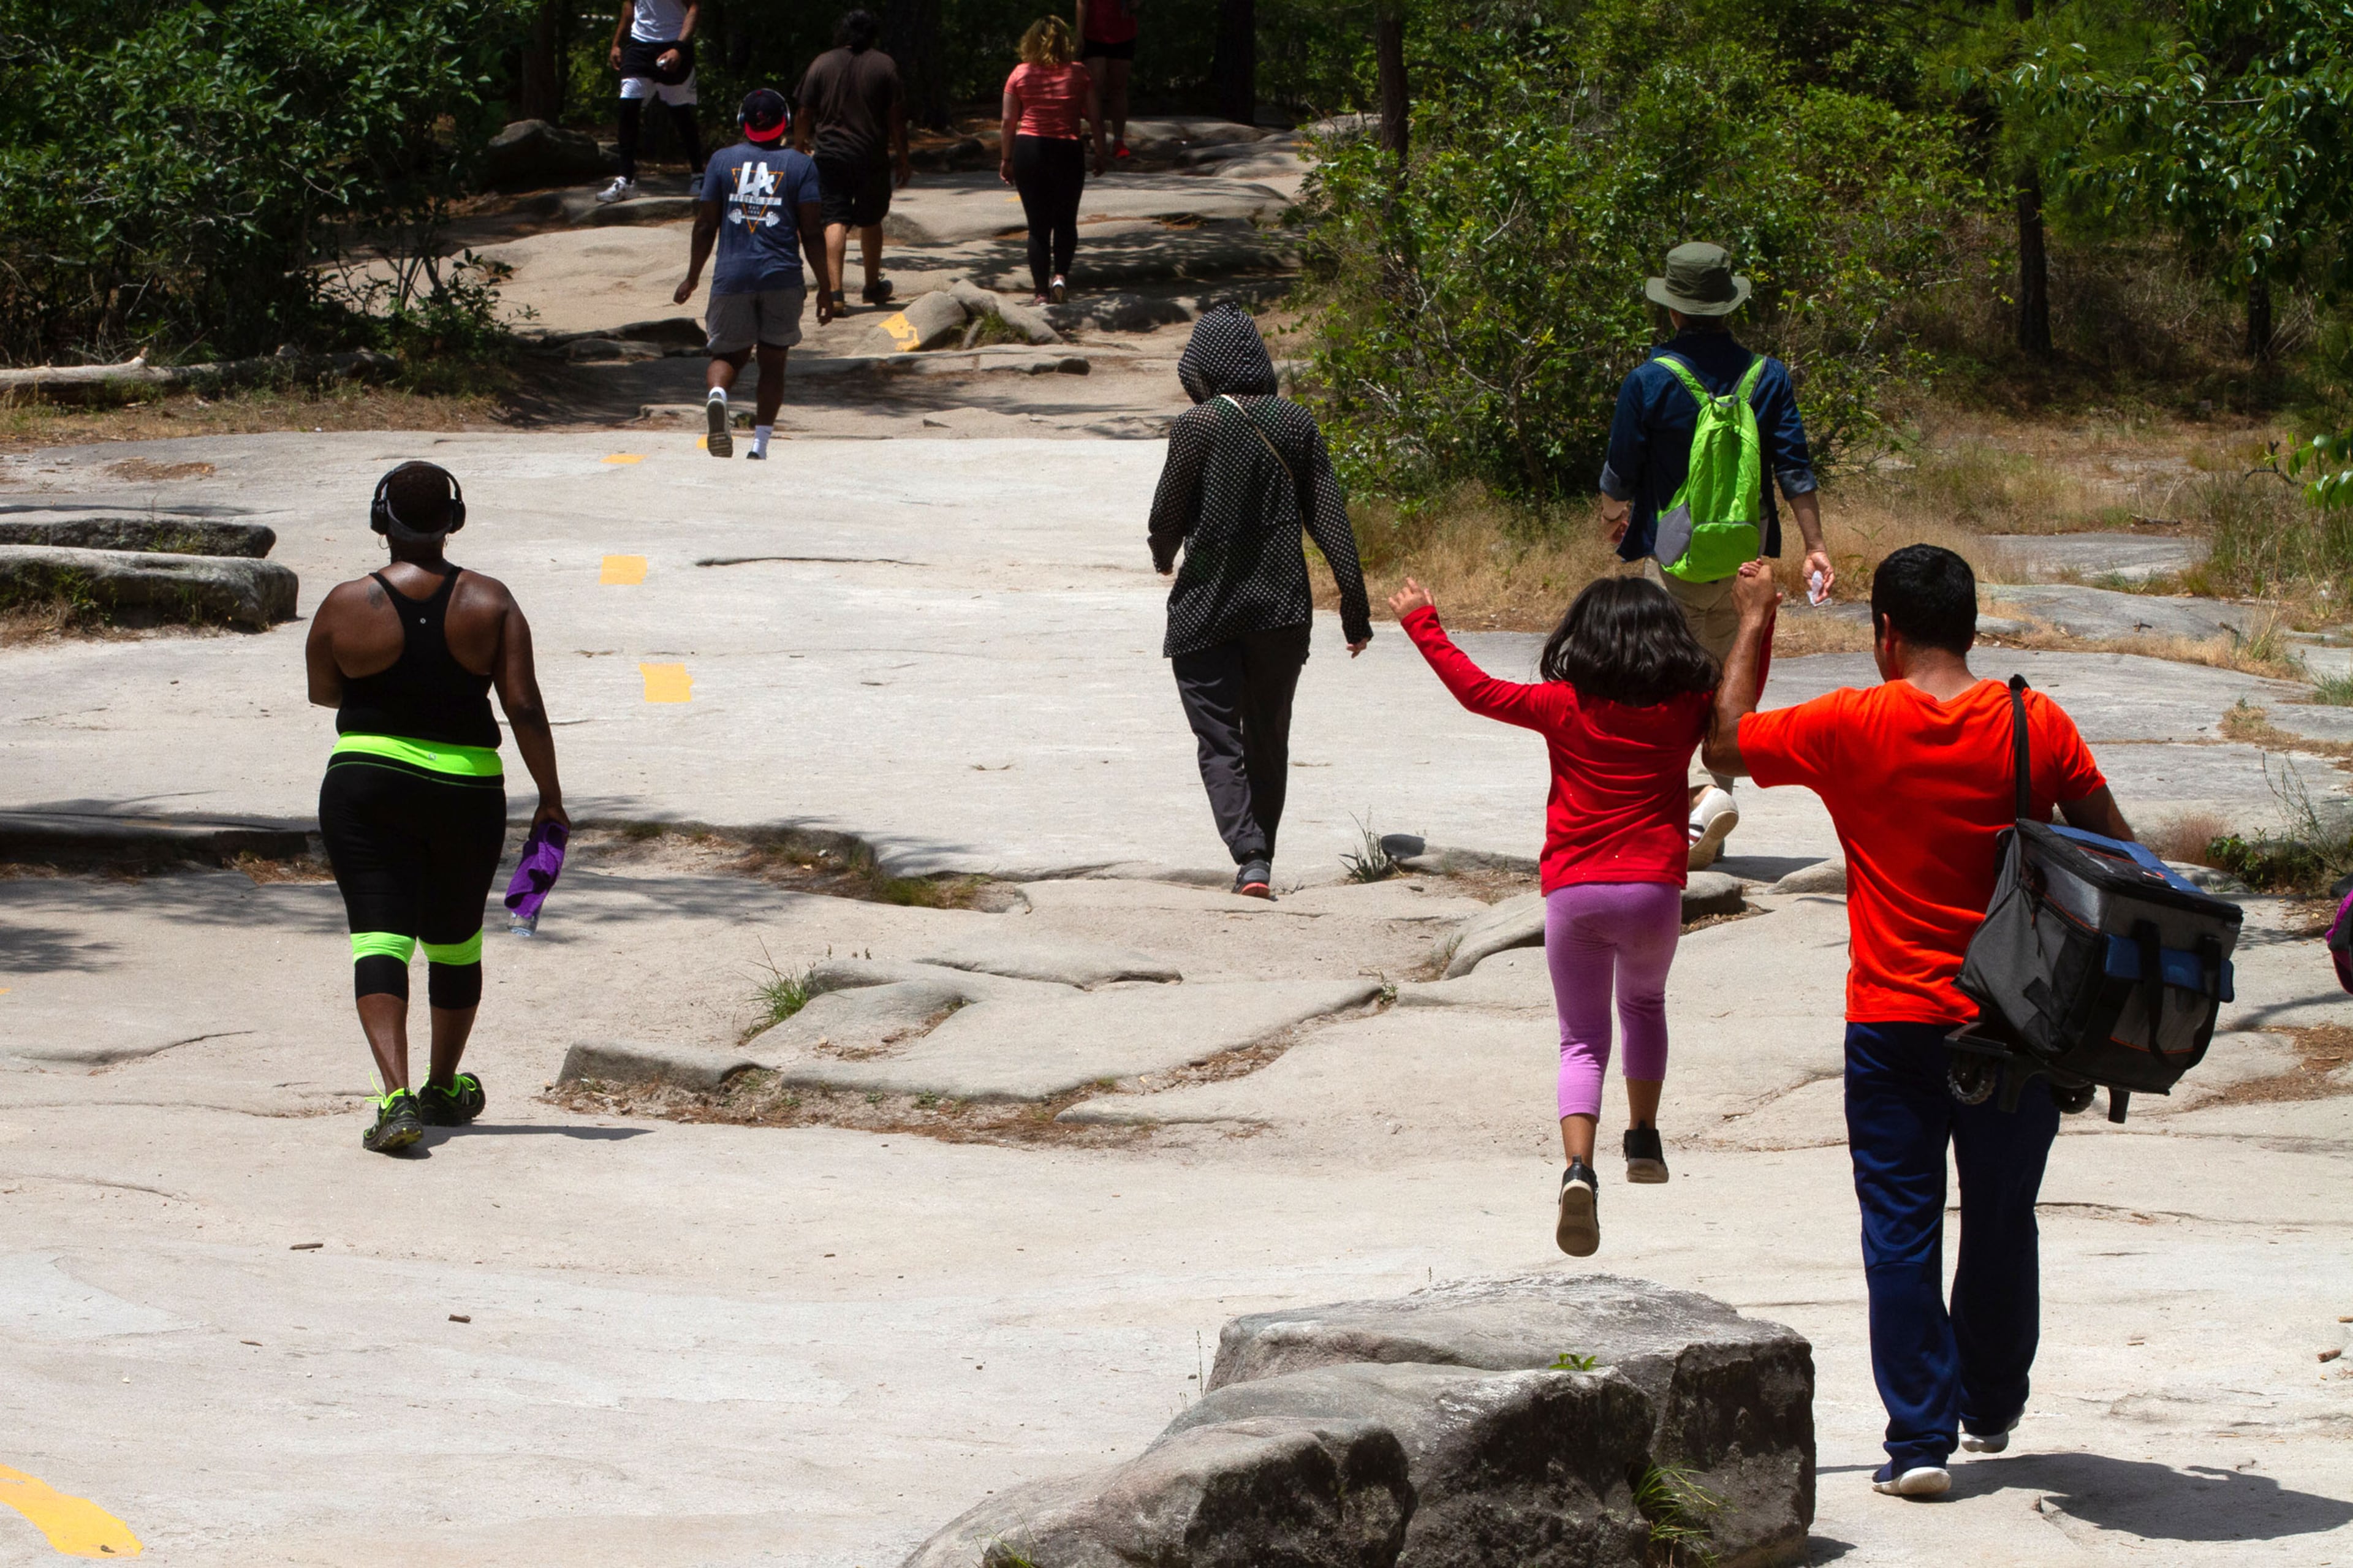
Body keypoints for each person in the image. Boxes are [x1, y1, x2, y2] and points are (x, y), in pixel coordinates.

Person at [1703, 543, 2137, 1500]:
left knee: (1900, 1227)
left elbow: (1723, 744)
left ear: (1884, 634)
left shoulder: (1852, 722)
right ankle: (1991, 1402)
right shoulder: (2036, 721)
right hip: (2016, 1020)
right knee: (2001, 1216)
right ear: (1972, 627)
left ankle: (1920, 1442)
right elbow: (2121, 851)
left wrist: (1755, 618)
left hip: (1893, 1017)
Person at [1393, 573, 1759, 1257]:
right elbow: (1739, 704)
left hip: (1576, 893)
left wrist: (1424, 623)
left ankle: (1578, 1169)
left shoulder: (1563, 706)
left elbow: (1476, 691)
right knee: (1644, 1006)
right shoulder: (1685, 708)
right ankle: (1644, 1138)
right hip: (1653, 891)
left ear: (1582, 639)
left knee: (1581, 1039)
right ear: (1666, 638)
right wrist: (1755, 623)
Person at [305, 463, 567, 1155]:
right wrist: (551, 798)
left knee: (379, 938)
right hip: (465, 790)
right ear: (455, 521)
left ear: (377, 520)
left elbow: (324, 691)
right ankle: (443, 1087)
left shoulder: (342, 604)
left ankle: (394, 1101)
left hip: (365, 784)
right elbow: (522, 706)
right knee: (454, 941)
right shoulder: (491, 602)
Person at [1599, 240, 1834, 869]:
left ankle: (1675, 815)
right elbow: (1795, 468)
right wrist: (1814, 547)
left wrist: (1613, 516)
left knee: (1658, 688)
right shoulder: (1768, 376)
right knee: (1729, 685)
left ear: (1672, 311)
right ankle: (1714, 810)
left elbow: (1620, 472)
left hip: (1671, 564)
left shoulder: (1649, 380)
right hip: (1746, 562)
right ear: (1728, 307)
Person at [1148, 306, 1372, 897]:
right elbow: (1330, 519)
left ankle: (1248, 854)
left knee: (1219, 738)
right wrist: (1355, 606)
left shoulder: (1196, 427)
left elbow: (1166, 513)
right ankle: (1260, 859)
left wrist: (1162, 553)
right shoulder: (1296, 422)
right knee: (1268, 735)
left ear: (1200, 368)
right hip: (1280, 610)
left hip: (1206, 610)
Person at [675, 89, 830, 461]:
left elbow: (705, 224)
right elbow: (811, 231)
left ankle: (718, 396)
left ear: (742, 121)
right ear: (785, 124)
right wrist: (827, 287)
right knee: (773, 361)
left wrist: (693, 277)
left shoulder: (721, 161)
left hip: (732, 277)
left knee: (727, 354)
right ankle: (759, 445)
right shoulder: (801, 165)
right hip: (782, 277)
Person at [793, 10, 912, 312]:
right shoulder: (885, 66)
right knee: (871, 219)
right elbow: (896, 120)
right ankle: (872, 286)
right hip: (870, 154)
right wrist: (903, 158)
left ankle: (835, 293)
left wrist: (799, 145)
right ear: (872, 34)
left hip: (830, 155)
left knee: (834, 218)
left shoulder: (822, 63)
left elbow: (804, 112)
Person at [999, 17, 1107, 305]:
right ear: (1066, 42)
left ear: (1031, 41)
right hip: (1067, 151)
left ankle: (1041, 293)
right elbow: (1095, 117)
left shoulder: (1020, 73)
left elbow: (1009, 121)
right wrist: (1101, 151)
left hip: (1029, 149)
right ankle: (1060, 276)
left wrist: (1006, 159)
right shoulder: (1080, 73)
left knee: (1037, 226)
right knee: (1065, 220)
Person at [599, 0, 707, 204]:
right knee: (627, 108)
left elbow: (695, 7)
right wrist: (616, 43)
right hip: (639, 45)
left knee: (681, 113)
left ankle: (698, 175)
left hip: (673, 44)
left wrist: (680, 48)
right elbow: (629, 7)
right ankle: (625, 180)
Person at [1074, 0, 1137, 163]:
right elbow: (1082, 3)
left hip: (1124, 34)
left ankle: (1118, 141)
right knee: (1095, 86)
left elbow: (1136, 5)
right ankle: (1098, 138)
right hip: (1093, 34)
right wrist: (1079, 34)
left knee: (1118, 87)